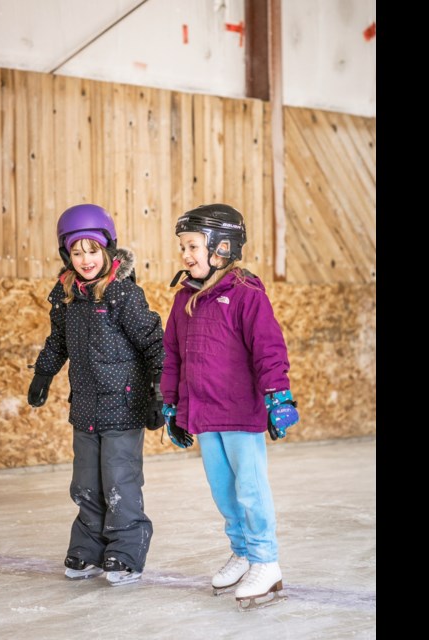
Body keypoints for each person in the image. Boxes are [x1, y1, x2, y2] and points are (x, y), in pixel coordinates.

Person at [160, 203, 300, 611]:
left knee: (251, 490)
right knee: (223, 492)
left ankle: (265, 560)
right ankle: (241, 552)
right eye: (182, 247)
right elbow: (173, 356)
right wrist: (171, 405)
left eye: (192, 246)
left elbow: (269, 348)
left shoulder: (246, 294)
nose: (186, 255)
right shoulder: (185, 299)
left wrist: (277, 395)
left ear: (222, 247)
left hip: (240, 413)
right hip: (205, 415)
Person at [27, 203, 166, 586]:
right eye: (76, 251)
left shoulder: (123, 294)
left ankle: (125, 551)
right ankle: (88, 548)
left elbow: (155, 343)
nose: (85, 259)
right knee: (85, 483)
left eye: (92, 250)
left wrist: (159, 391)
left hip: (124, 406)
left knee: (120, 482)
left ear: (107, 249)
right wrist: (43, 373)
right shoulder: (67, 295)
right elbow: (58, 341)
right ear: (65, 255)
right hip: (86, 407)